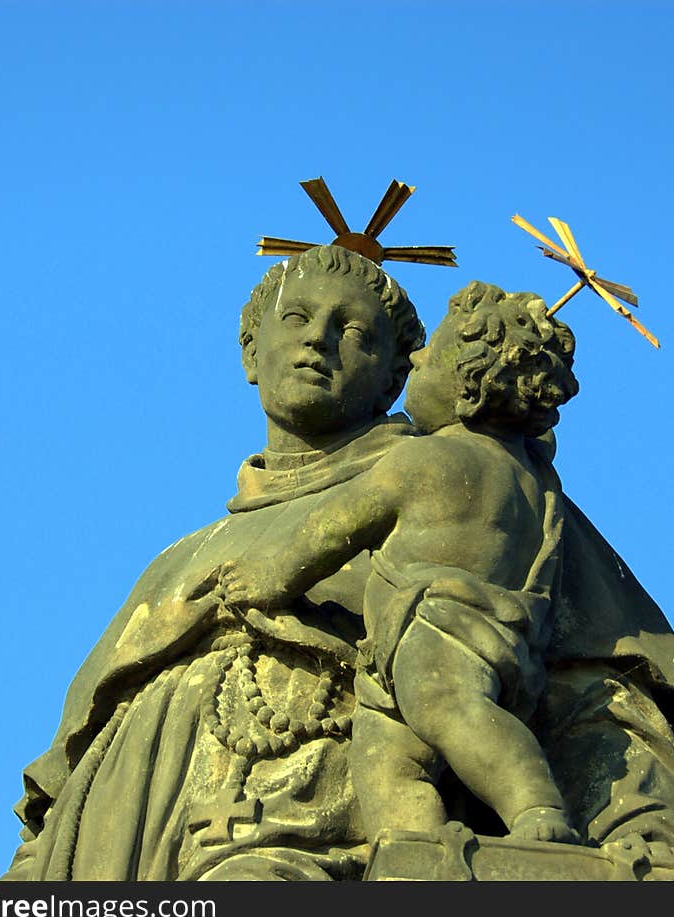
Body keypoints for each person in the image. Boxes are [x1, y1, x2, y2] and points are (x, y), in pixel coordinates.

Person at [3, 250, 674, 882]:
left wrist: (641, 835)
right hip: (129, 854)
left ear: (395, 377)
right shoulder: (177, 560)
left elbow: (607, 697)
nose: (318, 337)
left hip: (321, 859)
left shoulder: (463, 493)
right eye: (298, 318)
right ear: (250, 353)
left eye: (352, 330)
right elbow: (63, 780)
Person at [209, 283, 581, 846]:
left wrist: (267, 578)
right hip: (481, 643)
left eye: (425, 357)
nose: (415, 361)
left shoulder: (421, 460)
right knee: (385, 752)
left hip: (434, 633)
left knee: (454, 713)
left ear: (466, 385)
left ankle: (535, 808)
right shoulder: (539, 481)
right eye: (296, 316)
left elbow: (331, 530)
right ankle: (413, 849)